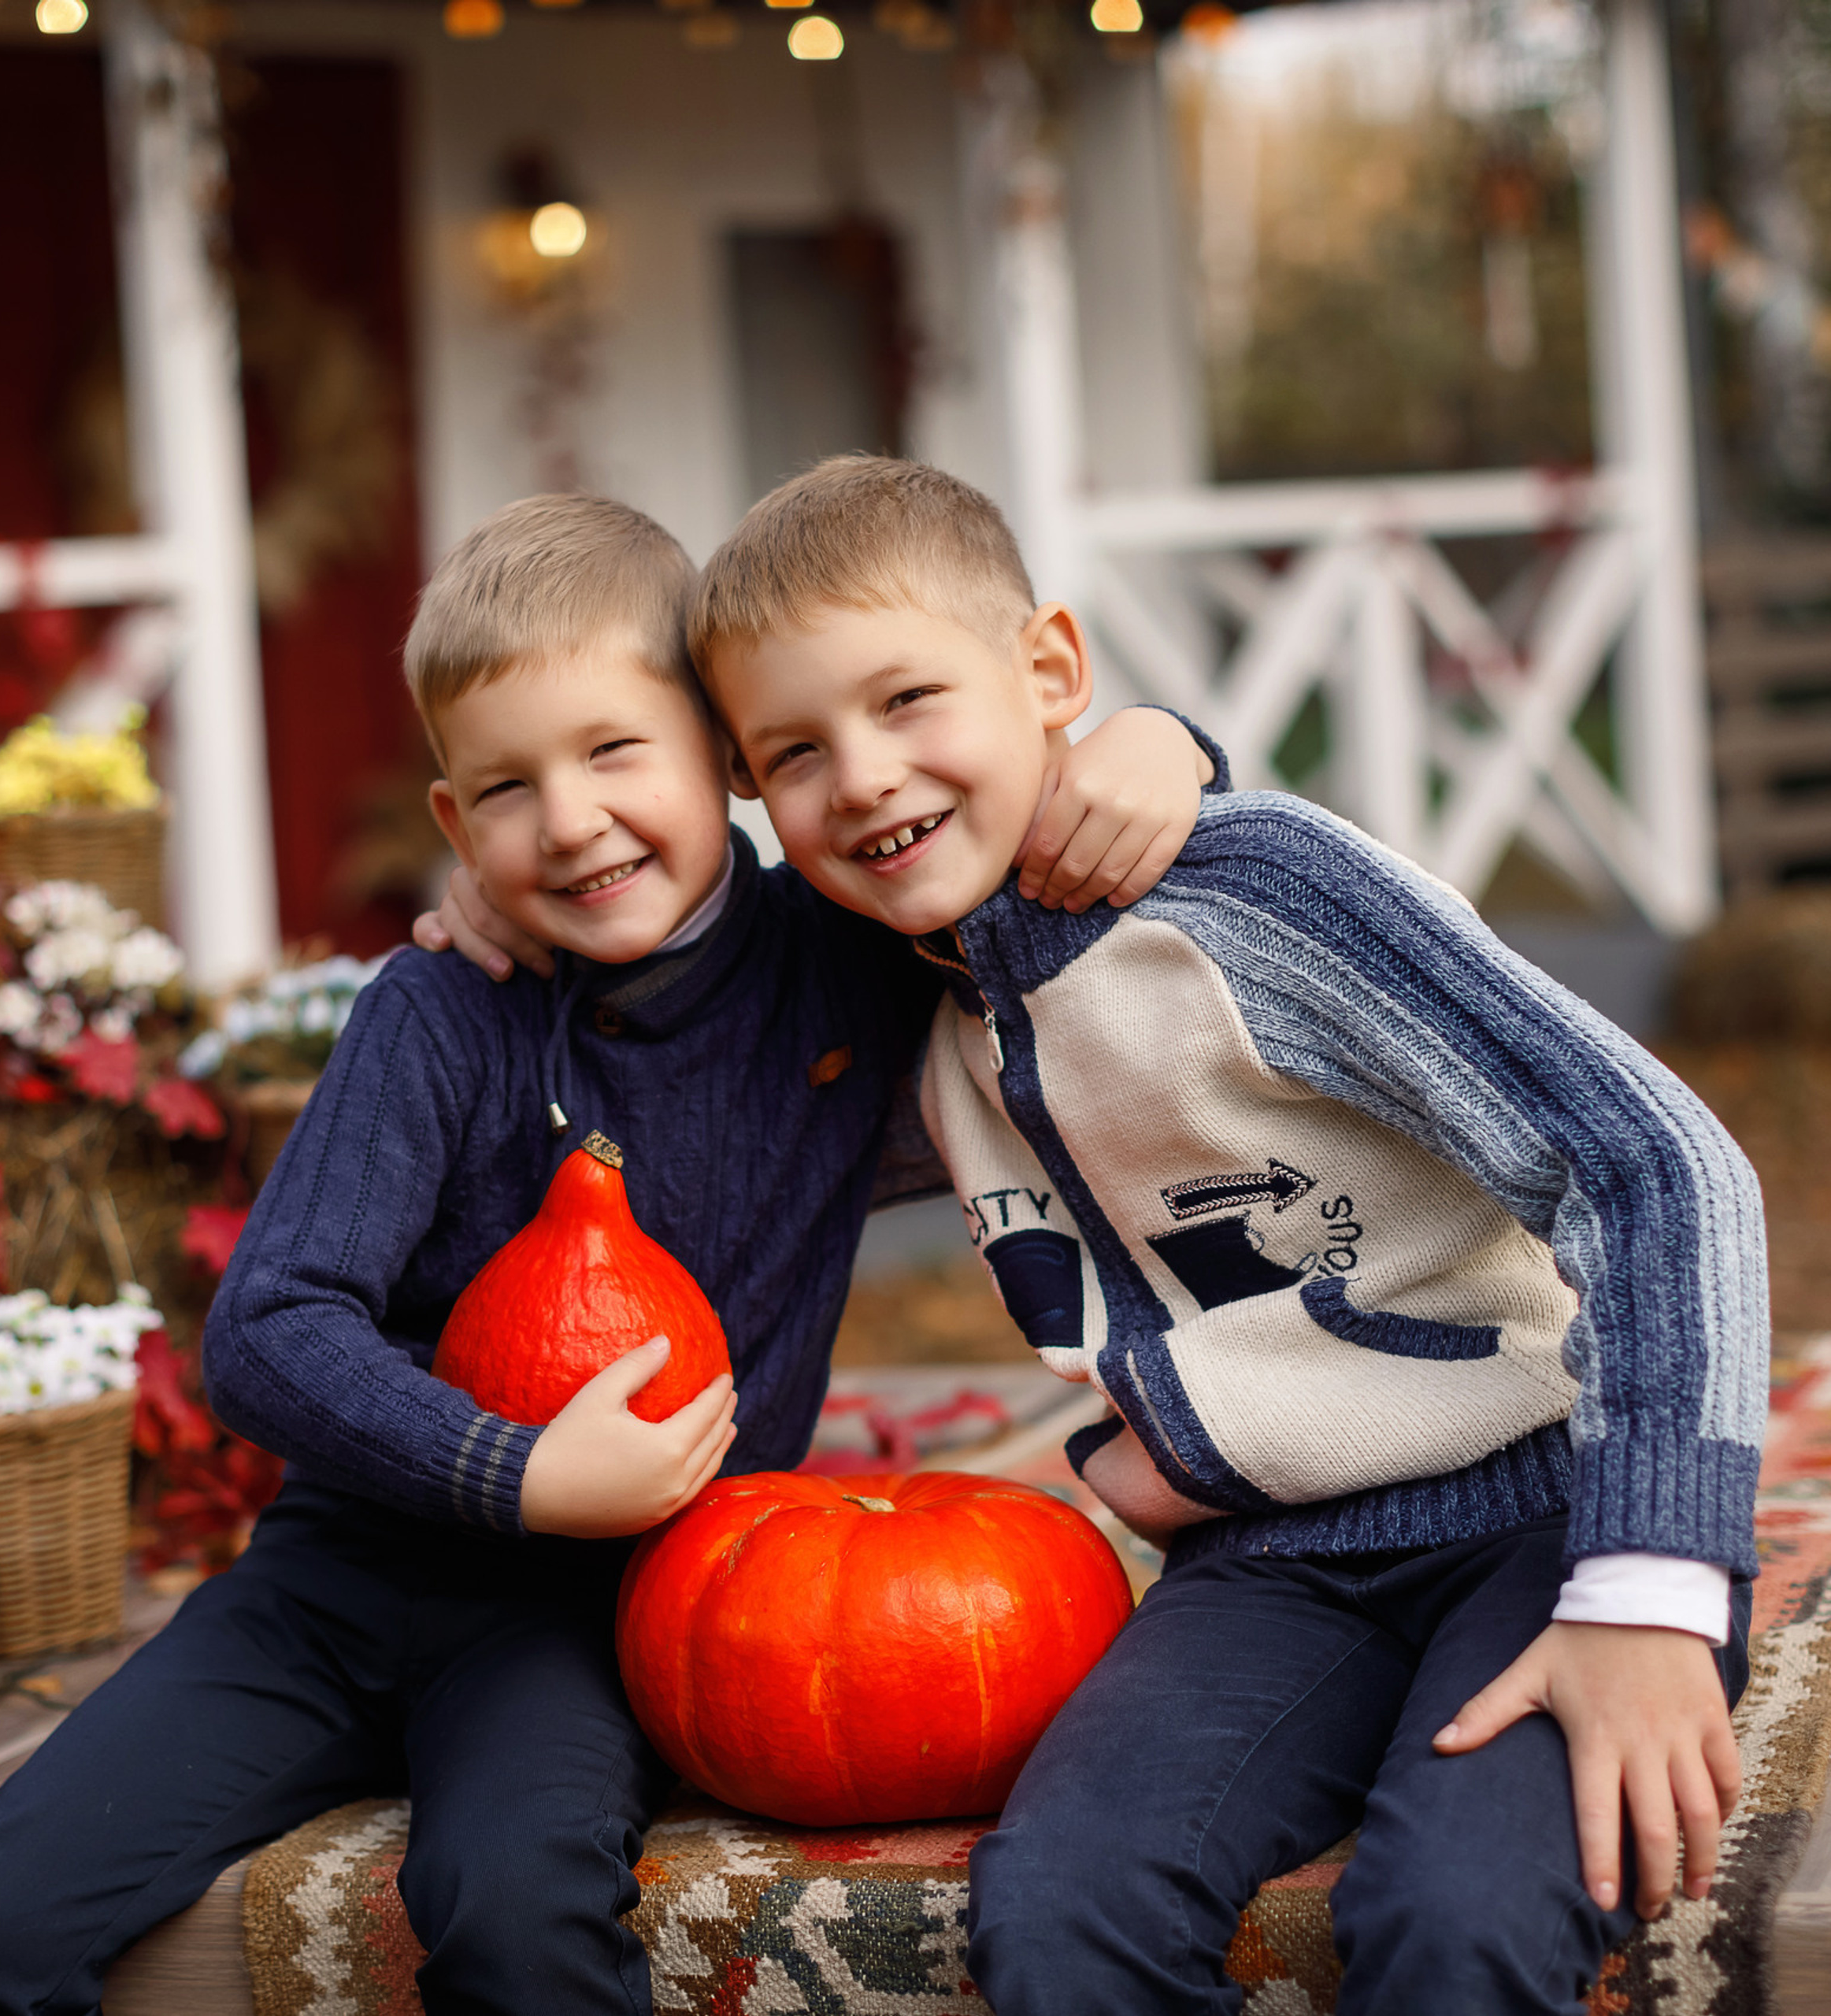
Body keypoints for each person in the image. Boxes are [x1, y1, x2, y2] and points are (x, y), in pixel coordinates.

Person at [0, 492, 1214, 2016]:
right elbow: (266, 1330)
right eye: (508, 789)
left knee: (519, 1911)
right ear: (455, 825)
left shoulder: (840, 963)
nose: (572, 819)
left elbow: (1033, 845)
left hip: (599, 1610)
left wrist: (1165, 743)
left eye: (614, 752)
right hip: (340, 1585)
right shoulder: (441, 1011)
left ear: (725, 759)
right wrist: (512, 1473)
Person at [687, 455, 1767, 2016]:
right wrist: (509, 934)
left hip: (1549, 1503)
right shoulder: (909, 1005)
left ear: (1049, 667)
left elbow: (1654, 1164)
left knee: (1452, 1923)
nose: (858, 774)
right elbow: (696, 1089)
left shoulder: (1255, 896)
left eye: (907, 697)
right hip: (1264, 1559)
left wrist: (1650, 1586)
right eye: (794, 749)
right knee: (1063, 1907)